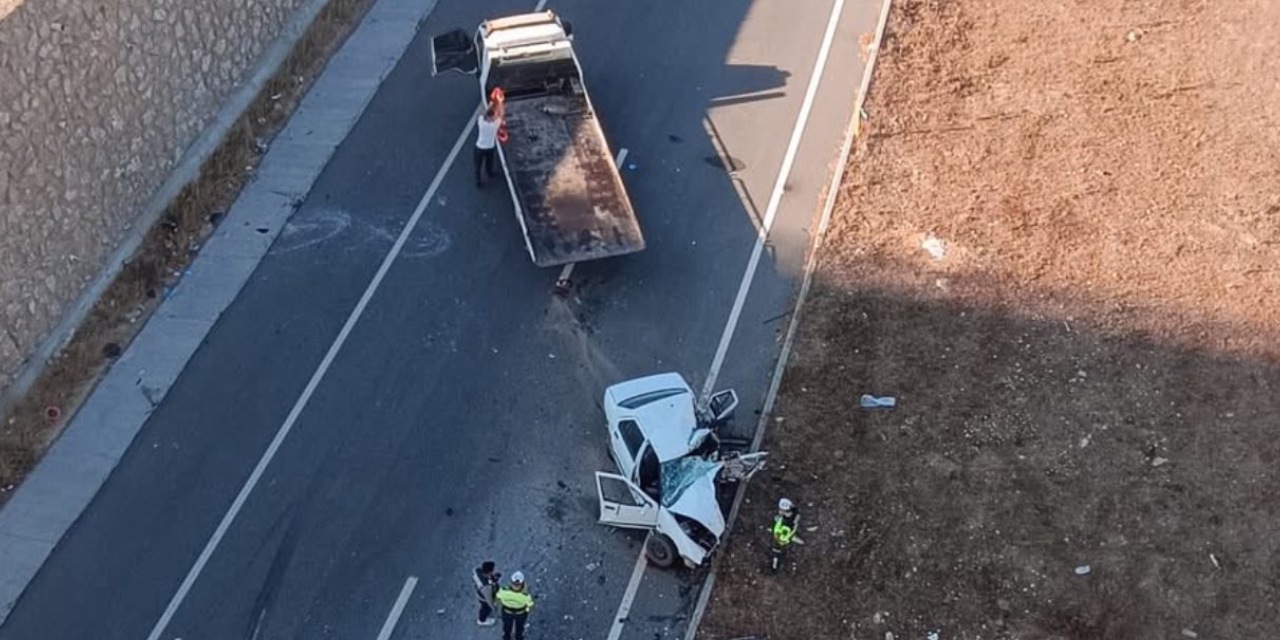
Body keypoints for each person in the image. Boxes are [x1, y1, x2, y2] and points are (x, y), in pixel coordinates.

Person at [495, 570, 534, 640]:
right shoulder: (526, 596)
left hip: (507, 612)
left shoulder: (503, 591)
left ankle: (506, 638)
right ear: (522, 584)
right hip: (521, 613)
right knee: (519, 628)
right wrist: (527, 611)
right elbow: (530, 606)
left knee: (507, 627)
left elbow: (498, 598)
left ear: (511, 582)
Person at [474, 99, 504, 187]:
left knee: (478, 166)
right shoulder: (494, 125)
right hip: (490, 147)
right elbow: (501, 115)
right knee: (489, 162)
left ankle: (478, 181)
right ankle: (490, 173)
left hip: (479, 148)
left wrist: (490, 105)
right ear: (492, 117)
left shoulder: (482, 123)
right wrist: (500, 104)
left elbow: (481, 115)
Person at [769, 497, 800, 573]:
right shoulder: (794, 513)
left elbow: (777, 530)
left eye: (780, 510)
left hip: (784, 536)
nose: (779, 511)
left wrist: (783, 538)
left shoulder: (783, 521)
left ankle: (775, 564)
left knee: (777, 549)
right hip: (786, 535)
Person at [472, 560, 501, 626]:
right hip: (484, 598)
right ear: (489, 573)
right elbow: (489, 599)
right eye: (492, 571)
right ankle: (482, 620)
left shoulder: (477, 571)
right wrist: (493, 608)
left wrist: (493, 578)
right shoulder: (486, 587)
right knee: (485, 608)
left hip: (480, 591)